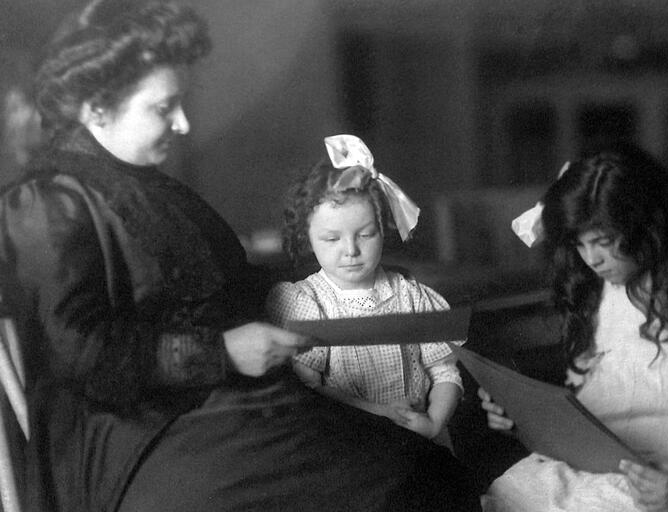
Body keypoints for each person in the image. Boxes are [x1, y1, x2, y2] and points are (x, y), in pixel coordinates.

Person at [0, 2, 480, 511]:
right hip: (129, 438)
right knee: (390, 482)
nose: (183, 123)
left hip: (219, 406)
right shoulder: (47, 203)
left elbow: (234, 285)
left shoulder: (152, 187)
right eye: (164, 108)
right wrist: (223, 352)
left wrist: (339, 274)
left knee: (419, 467)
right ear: (97, 108)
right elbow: (80, 354)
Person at [479, 146, 668, 512]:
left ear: (643, 228)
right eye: (580, 244)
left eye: (603, 242)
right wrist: (518, 419)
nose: (592, 259)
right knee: (511, 491)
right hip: (600, 461)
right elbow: (586, 419)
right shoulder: (597, 297)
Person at [267, 134, 464, 448]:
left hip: (422, 440)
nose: (350, 251)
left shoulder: (413, 298)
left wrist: (434, 423)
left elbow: (444, 373)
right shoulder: (307, 303)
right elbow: (309, 389)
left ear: (383, 229)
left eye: (366, 234)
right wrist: (381, 413)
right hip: (351, 444)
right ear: (308, 237)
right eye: (331, 239)